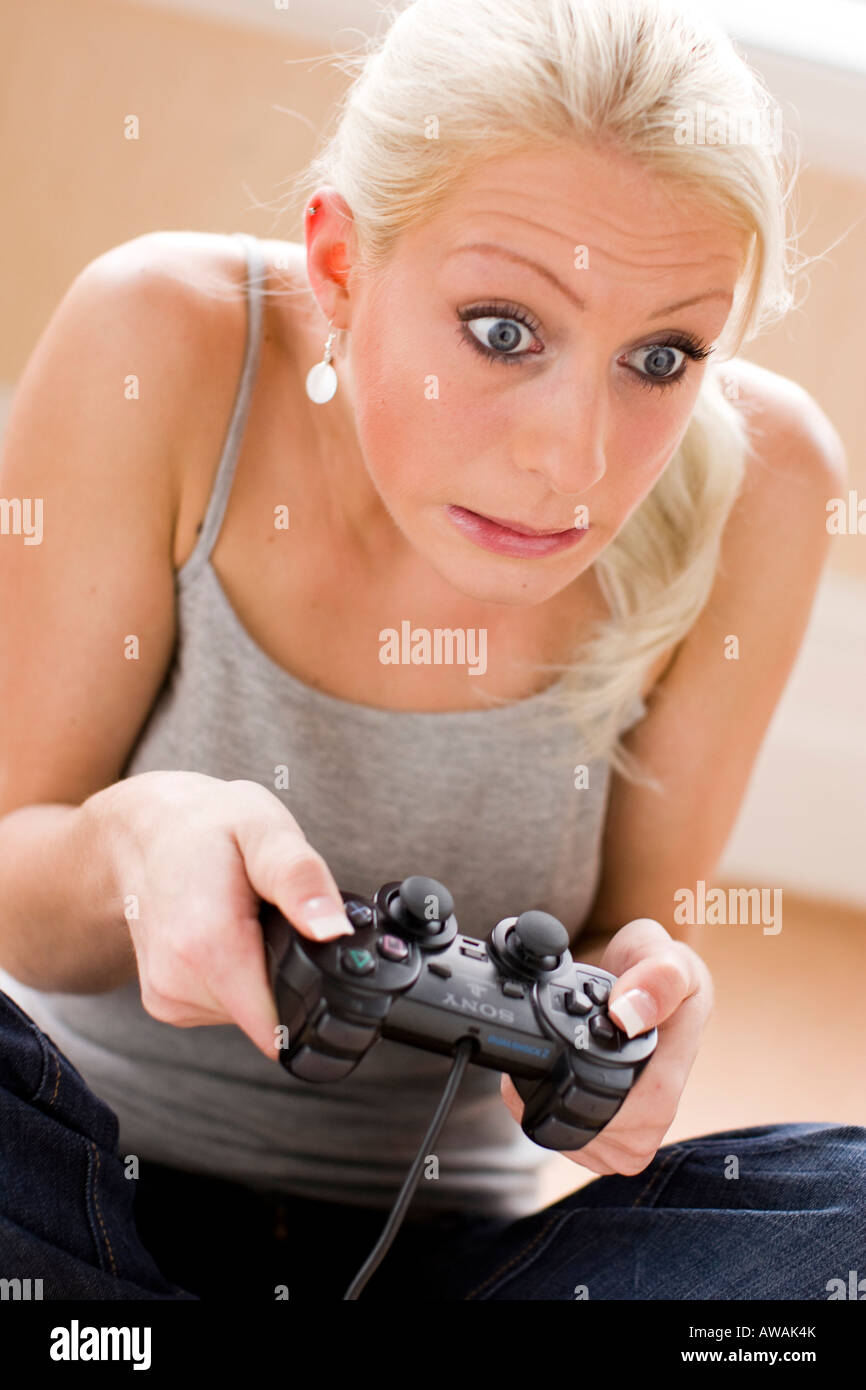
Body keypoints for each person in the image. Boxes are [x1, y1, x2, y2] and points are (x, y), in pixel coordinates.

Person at [0, 0, 861, 1301]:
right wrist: (135, 838)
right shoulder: (161, 339)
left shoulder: (768, 480)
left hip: (455, 1265)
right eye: (503, 329)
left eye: (660, 356)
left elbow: (627, 937)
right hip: (69, 1176)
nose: (570, 461)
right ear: (339, 264)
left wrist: (635, 1013)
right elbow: (13, 888)